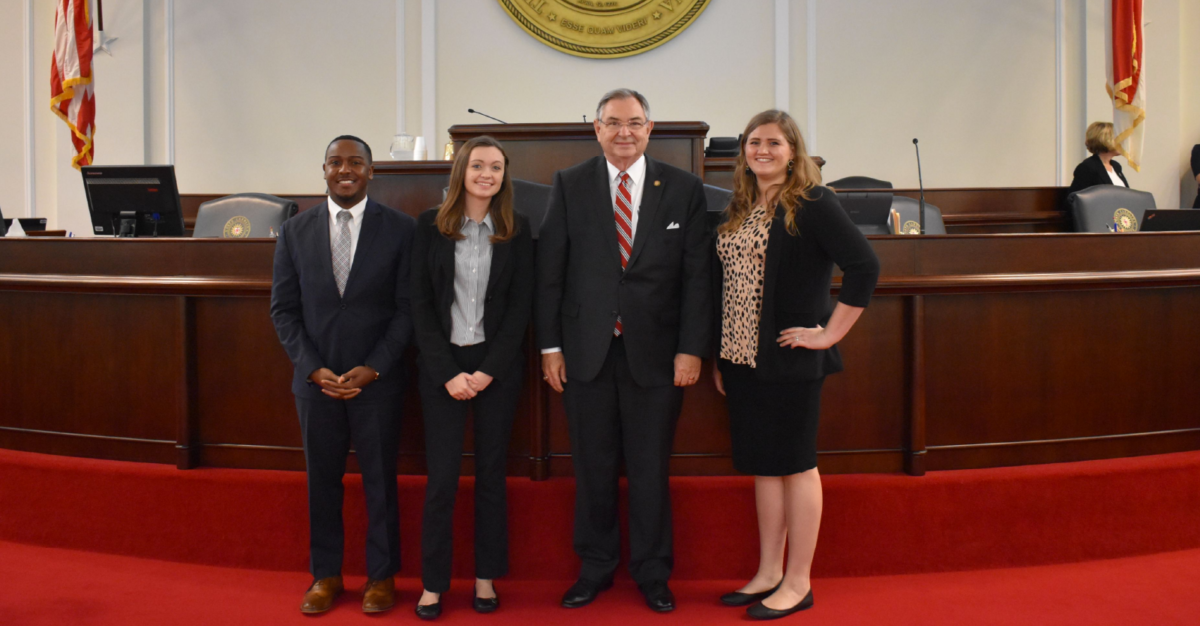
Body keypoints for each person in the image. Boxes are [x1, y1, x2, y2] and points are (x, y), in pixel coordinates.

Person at [536, 88, 711, 613]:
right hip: (585, 354)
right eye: (613, 123)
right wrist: (550, 347)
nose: (624, 132)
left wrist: (691, 349)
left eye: (634, 122)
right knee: (592, 469)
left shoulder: (682, 187)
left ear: (649, 128)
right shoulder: (570, 184)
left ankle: (654, 574)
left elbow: (697, 278)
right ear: (596, 129)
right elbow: (551, 274)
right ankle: (594, 569)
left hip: (657, 357)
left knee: (650, 470)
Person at [711, 110, 879, 620]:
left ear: (793, 150)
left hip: (789, 356)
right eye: (753, 142)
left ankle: (798, 581)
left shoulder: (811, 201)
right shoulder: (741, 205)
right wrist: (723, 353)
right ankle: (768, 572)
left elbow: (864, 265)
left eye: (774, 143)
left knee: (797, 465)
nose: (762, 150)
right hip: (741, 359)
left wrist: (829, 333)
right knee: (765, 467)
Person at [270, 135, 416, 615]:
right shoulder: (294, 231)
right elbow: (284, 311)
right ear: (325, 170)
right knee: (322, 484)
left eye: (355, 162)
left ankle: (381, 577)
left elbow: (407, 310)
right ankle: (326, 575)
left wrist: (374, 367)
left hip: (378, 381)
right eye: (336, 162)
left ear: (371, 171)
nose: (345, 169)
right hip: (317, 386)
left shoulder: (400, 229)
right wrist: (314, 370)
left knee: (379, 482)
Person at [409, 136, 534, 620]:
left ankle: (485, 578)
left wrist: (485, 372)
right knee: (441, 480)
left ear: (505, 176)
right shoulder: (428, 226)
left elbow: (520, 307)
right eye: (478, 165)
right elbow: (419, 304)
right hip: (441, 367)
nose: (487, 174)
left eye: (497, 167)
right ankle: (434, 585)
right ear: (461, 169)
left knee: (489, 479)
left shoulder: (516, 230)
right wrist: (448, 373)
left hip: (494, 370)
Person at [1066, 121, 1130, 198]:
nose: (1123, 143)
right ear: (1106, 140)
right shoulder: (1087, 167)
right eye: (1119, 139)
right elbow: (1075, 200)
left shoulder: (1116, 166)